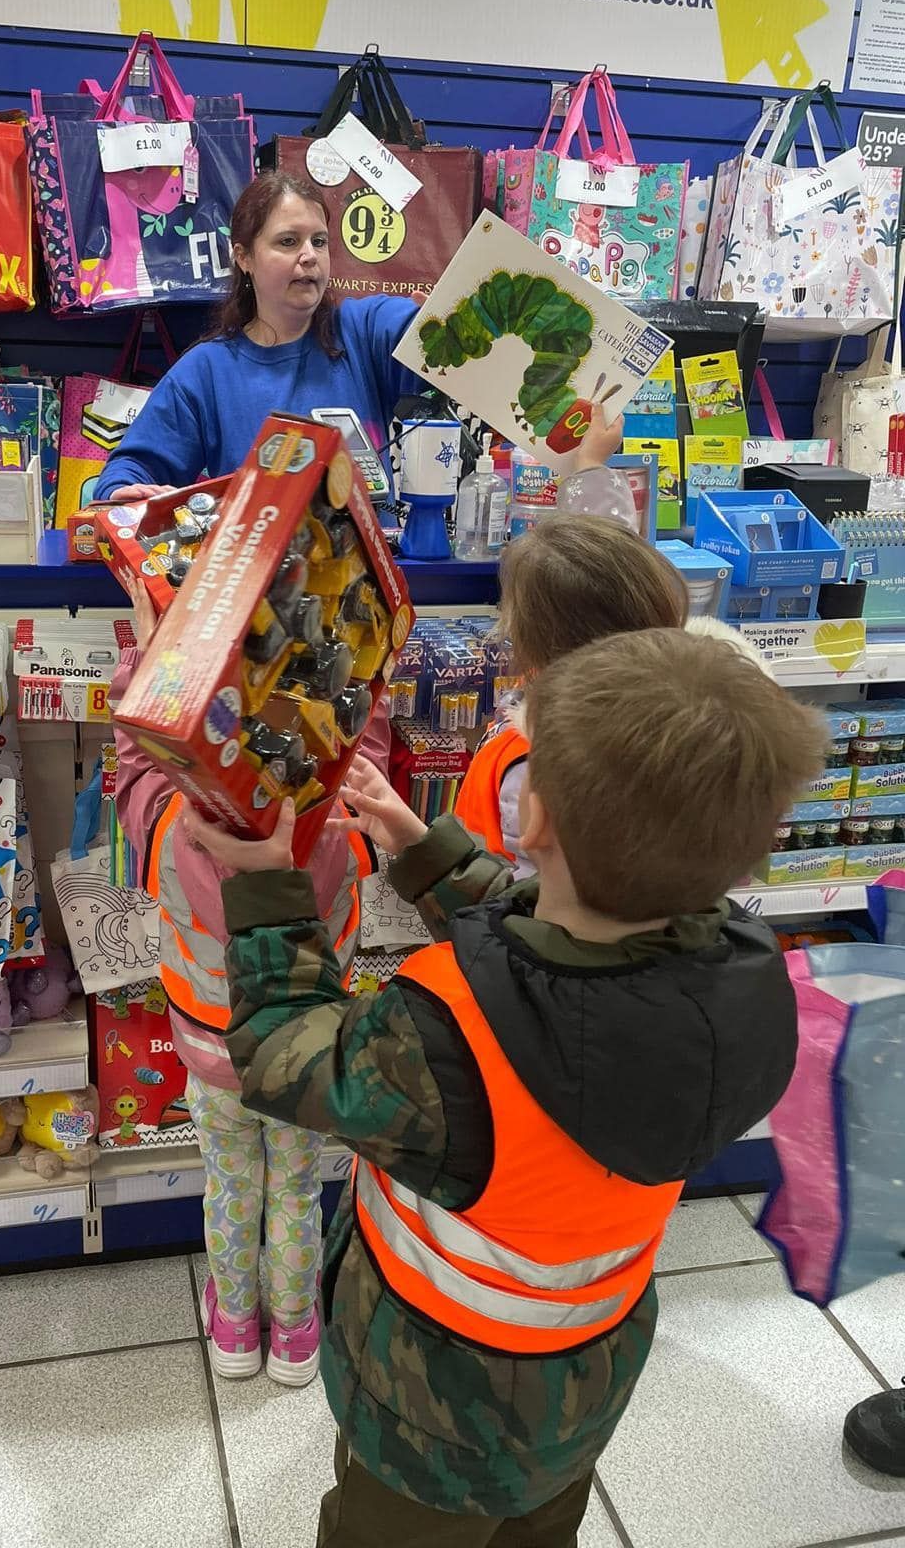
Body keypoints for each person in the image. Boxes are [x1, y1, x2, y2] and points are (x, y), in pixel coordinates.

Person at [181, 626, 827, 1547]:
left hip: (430, 1412)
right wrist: (426, 851)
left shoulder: (442, 1032)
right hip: (583, 1386)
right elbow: (575, 976)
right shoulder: (749, 979)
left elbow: (289, 1056)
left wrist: (266, 891)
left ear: (534, 822)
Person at [111, 594, 387, 1388]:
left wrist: (154, 647)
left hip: (211, 1050)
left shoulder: (164, 823)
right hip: (306, 1054)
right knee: (297, 1188)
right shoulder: (334, 832)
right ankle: (297, 1332)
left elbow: (135, 755)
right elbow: (361, 746)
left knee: (231, 1184)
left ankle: (235, 1325)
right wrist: (355, 661)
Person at [94, 169, 624, 506]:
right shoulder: (206, 371)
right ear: (243, 256)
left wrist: (580, 434)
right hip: (257, 601)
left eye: (319, 241)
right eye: (287, 241)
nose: (309, 256)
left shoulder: (366, 330)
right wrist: (125, 493)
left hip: (367, 598)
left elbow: (458, 350)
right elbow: (125, 473)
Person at [455, 514, 689, 865]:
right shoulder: (651, 723)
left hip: (484, 905)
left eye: (508, 612)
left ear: (538, 639)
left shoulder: (539, 764)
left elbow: (527, 897)